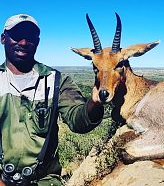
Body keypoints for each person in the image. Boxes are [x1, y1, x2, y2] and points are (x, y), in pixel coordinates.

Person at [0, 14, 104, 185]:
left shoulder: (57, 81)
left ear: (38, 42)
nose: (24, 43)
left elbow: (79, 121)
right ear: (3, 39)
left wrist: (95, 103)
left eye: (30, 37)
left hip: (44, 180)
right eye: (17, 36)